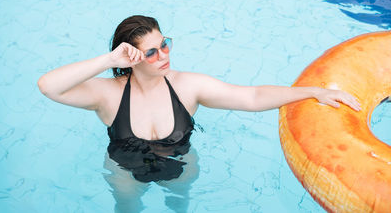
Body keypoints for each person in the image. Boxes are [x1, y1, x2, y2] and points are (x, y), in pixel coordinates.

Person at [37, 15, 361, 212]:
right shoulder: (108, 95)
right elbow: (49, 86)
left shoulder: (188, 87)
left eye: (165, 44)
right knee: (127, 209)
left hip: (181, 165)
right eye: (151, 52)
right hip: (125, 171)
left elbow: (251, 96)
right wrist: (107, 61)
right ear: (131, 58)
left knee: (180, 206)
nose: (164, 55)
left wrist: (314, 91)